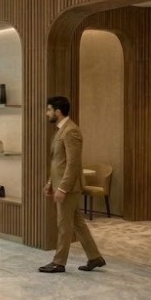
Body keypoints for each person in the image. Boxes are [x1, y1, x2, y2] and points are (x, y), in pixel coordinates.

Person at [39, 96, 106, 273]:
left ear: (58, 112)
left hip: (68, 188)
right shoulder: (61, 130)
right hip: (61, 184)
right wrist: (50, 183)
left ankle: (59, 262)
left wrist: (62, 188)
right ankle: (95, 257)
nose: (47, 113)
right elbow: (58, 162)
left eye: (49, 110)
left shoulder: (71, 131)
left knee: (64, 225)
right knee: (78, 223)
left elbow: (73, 163)